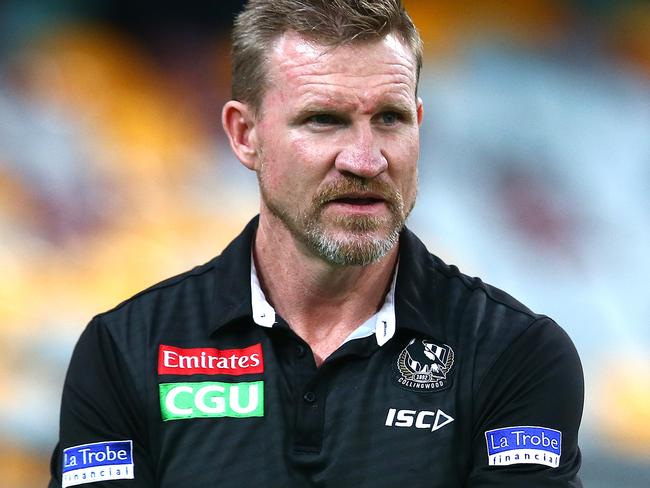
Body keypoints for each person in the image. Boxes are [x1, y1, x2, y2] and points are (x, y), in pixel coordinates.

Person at [49, 1, 584, 486]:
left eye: (390, 119)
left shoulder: (515, 354)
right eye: (324, 120)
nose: (366, 159)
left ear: (419, 124)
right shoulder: (124, 352)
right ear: (244, 135)